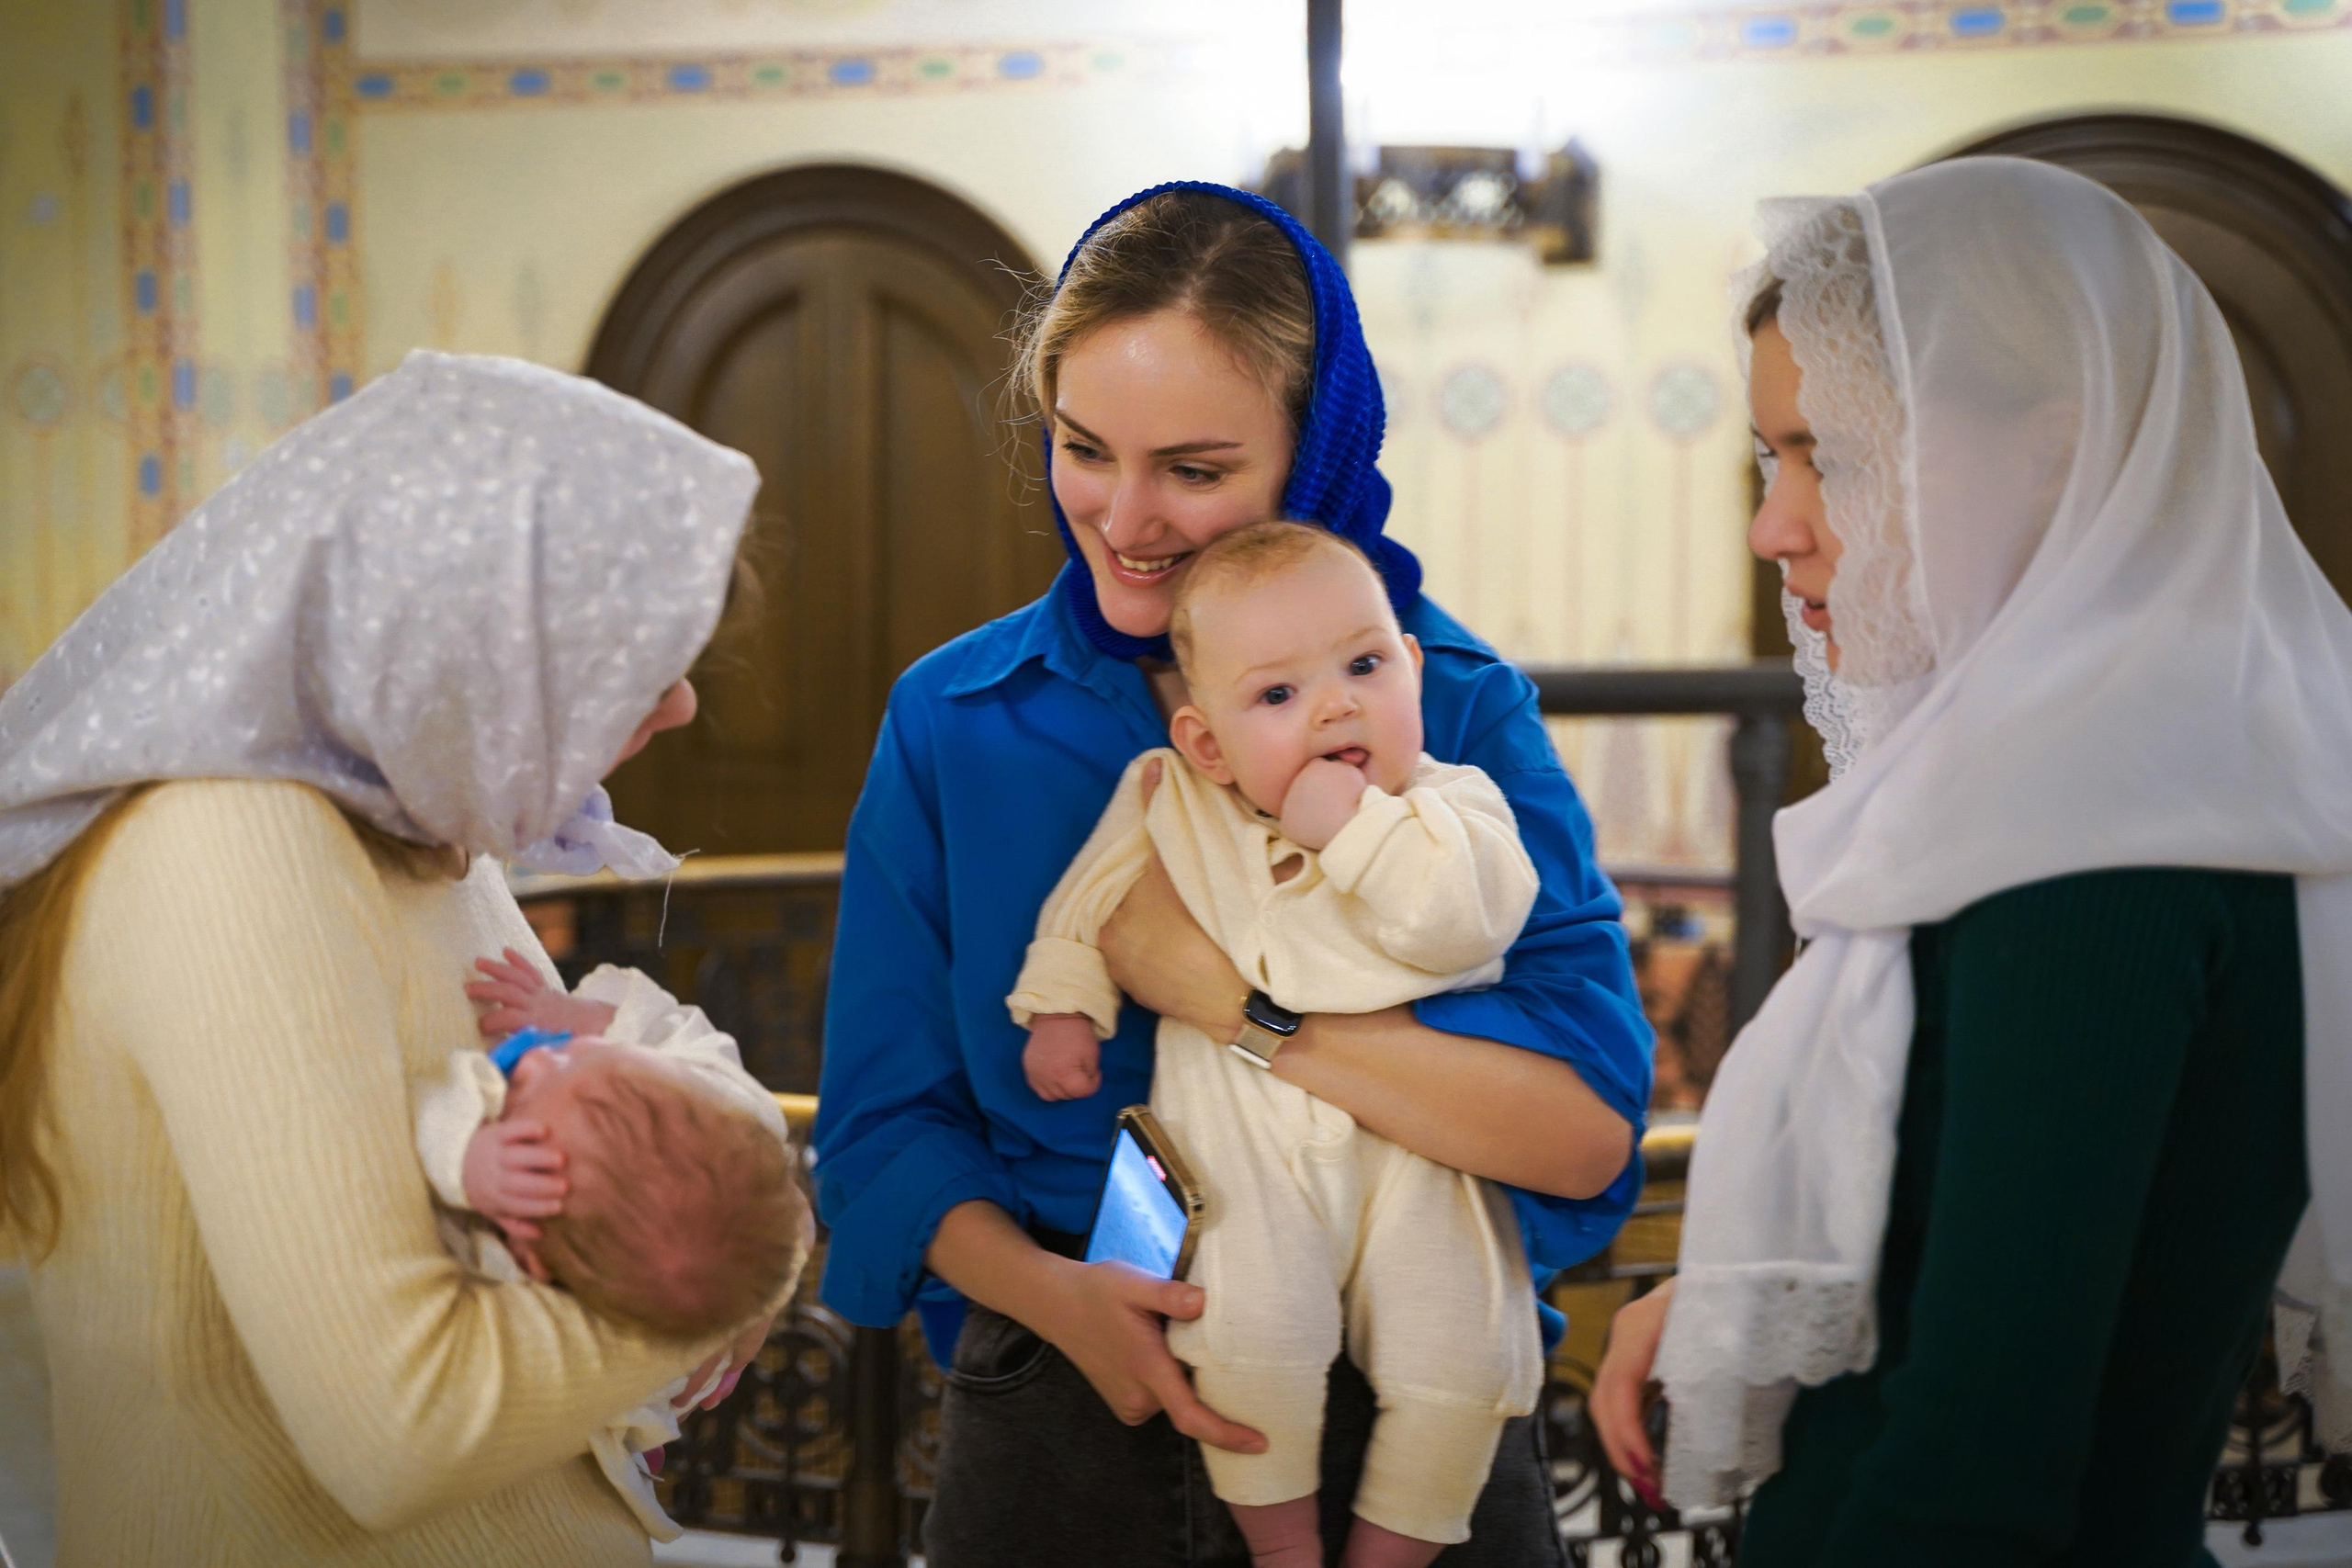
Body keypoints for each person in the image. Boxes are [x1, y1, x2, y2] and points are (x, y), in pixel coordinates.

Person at [814, 182, 1653, 1568]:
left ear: (1315, 453)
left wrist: (1231, 1003)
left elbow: (1577, 1131)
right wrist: (1060, 1299)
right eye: (1085, 448)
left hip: (1415, 1394)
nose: (1125, 517)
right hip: (1067, 1393)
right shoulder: (958, 716)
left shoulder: (1451, 701)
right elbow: (881, 1129)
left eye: (1195, 471)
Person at [1589, 157, 2352, 1567]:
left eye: (1842, 456)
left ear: (2056, 446)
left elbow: (1979, 1470)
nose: (1777, 526)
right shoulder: (2139, 763)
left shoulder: (2092, 840)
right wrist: (1719, 1295)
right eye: (1774, 460)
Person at [0, 349, 805, 1567]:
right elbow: (404, 1425)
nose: (683, 704)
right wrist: (758, 1250)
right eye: (625, 648)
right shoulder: (229, 843)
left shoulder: (415, 825)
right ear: (455, 632)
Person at [1011, 523, 1544, 1568]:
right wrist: (1067, 1001)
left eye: (1363, 665)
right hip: (1232, 1127)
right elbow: (1093, 895)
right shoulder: (1170, 798)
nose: (1337, 704)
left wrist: (1354, 826)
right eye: (1277, 696)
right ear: (1207, 743)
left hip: (1414, 1142)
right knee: (1249, 1337)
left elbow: (1460, 926)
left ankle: (1389, 1556)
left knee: (1463, 1357)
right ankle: (1284, 1549)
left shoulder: (1452, 807)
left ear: (1413, 670)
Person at [413, 991, 807, 1540]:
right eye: (573, 1051)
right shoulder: (722, 1115)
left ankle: (643, 1436)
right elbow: (696, 1047)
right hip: (674, 1376)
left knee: (648, 1407)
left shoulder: (507, 1266)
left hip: (637, 1407)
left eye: (519, 1094)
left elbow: (412, 1123)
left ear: (527, 1253)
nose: (533, 1055)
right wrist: (603, 1021)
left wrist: (462, 1156)